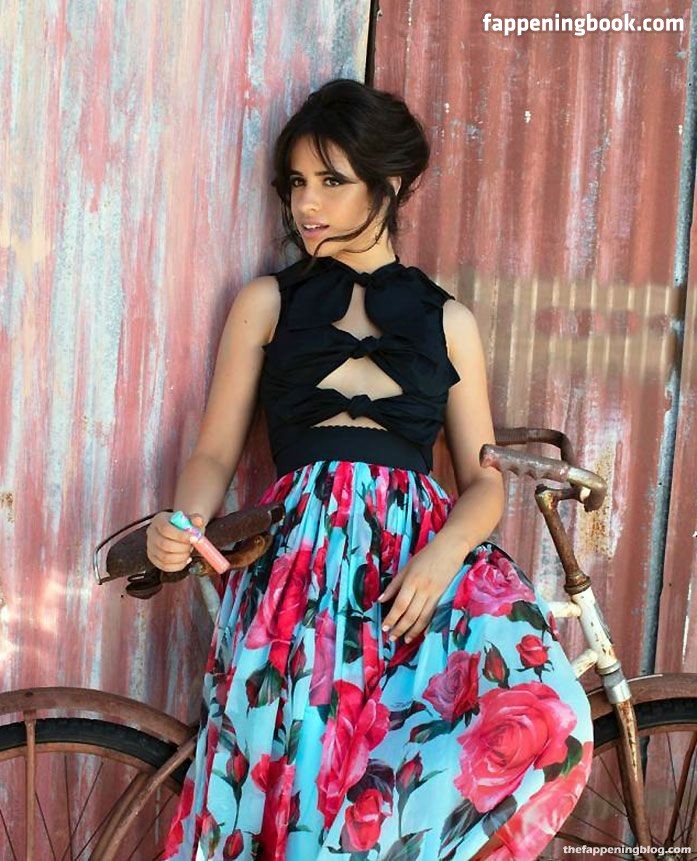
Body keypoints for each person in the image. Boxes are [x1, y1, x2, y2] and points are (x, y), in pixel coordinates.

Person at [148, 78, 593, 861]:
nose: (305, 204)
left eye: (331, 181)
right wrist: (182, 523)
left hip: (414, 577)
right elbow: (214, 451)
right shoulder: (266, 302)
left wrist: (443, 554)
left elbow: (483, 479)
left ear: (388, 185)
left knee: (550, 713)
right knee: (306, 787)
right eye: (295, 182)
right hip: (298, 570)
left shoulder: (448, 320)